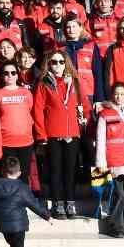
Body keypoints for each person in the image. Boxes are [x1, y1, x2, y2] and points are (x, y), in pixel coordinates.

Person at [32, 50, 86, 219]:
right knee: (55, 170)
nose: (57, 65)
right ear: (49, 64)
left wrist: (83, 123)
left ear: (66, 63)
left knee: (70, 170)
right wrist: (41, 135)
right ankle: (57, 203)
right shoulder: (43, 83)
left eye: (61, 62)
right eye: (54, 62)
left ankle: (70, 202)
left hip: (73, 133)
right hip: (53, 133)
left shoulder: (75, 82)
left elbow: (83, 104)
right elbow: (38, 110)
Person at [94, 81, 124, 238]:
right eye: (116, 94)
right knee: (118, 196)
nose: (118, 96)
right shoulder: (105, 114)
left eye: (122, 94)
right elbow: (100, 140)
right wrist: (100, 166)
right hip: (114, 164)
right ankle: (117, 228)